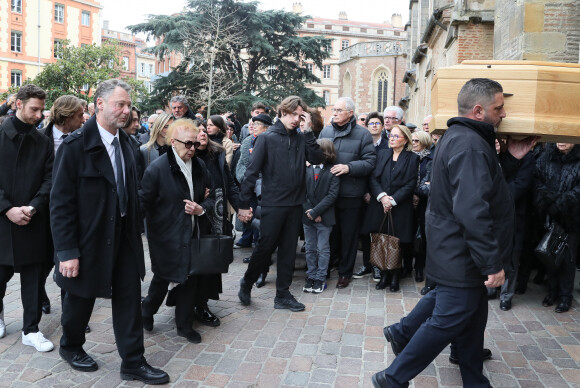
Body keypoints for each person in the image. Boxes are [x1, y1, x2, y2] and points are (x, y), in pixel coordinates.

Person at [372, 78, 516, 388]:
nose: (504, 113)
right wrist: (492, 262)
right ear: (478, 110)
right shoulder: (470, 145)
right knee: (447, 321)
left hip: (456, 250)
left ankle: (474, 381)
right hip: (462, 254)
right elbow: (472, 210)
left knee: (473, 321)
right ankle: (393, 378)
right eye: (499, 108)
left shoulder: (459, 137)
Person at [50, 79, 169, 384]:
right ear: (99, 105)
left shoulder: (129, 145)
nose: (127, 110)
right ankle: (71, 346)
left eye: (129, 105)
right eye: (121, 104)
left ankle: (133, 361)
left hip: (125, 239)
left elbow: (135, 192)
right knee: (80, 299)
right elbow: (60, 203)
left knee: (129, 298)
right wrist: (67, 251)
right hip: (88, 240)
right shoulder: (75, 146)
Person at [237, 96, 323, 312]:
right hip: (273, 204)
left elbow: (317, 157)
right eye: (294, 114)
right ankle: (247, 282)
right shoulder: (266, 138)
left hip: (295, 204)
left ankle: (282, 294)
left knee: (288, 251)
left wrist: (309, 131)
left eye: (301, 116)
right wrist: (244, 204)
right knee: (265, 248)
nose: (297, 119)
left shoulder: (302, 138)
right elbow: (251, 173)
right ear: (283, 112)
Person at [140, 119, 215, 341]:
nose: (193, 148)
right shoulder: (157, 169)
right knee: (163, 277)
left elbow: (213, 197)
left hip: (192, 232)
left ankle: (184, 325)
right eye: (188, 144)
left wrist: (201, 208)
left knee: (189, 277)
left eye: (195, 144)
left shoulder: (200, 166)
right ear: (173, 142)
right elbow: (143, 203)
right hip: (165, 236)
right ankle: (146, 310)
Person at [0, 84, 54, 351]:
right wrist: (7, 208)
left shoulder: (43, 141)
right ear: (18, 105)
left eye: (42, 110)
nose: (39, 115)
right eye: (35, 109)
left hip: (33, 220)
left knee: (33, 280)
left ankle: (31, 329)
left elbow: (49, 179)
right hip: (1, 219)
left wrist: (33, 207)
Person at [319, 97, 376, 289]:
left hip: (350, 193)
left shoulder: (363, 134)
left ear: (350, 113)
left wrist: (348, 167)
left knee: (349, 236)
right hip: (327, 193)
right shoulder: (326, 131)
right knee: (329, 234)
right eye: (333, 109)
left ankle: (345, 272)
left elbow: (370, 162)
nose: (334, 113)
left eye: (338, 110)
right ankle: (326, 267)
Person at [38, 95, 85, 314]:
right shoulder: (40, 139)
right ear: (67, 117)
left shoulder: (83, 139)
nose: (84, 119)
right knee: (43, 262)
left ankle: (71, 312)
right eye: (79, 115)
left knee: (69, 260)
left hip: (70, 211)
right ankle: (39, 295)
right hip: (42, 211)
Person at [362, 125, 419, 292]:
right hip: (380, 204)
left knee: (397, 242)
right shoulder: (382, 154)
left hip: (400, 207)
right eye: (391, 135)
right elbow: (372, 178)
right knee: (381, 240)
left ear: (406, 140)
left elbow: (410, 184)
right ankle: (384, 274)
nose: (392, 138)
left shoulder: (412, 158)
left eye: (396, 136)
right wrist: (382, 197)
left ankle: (395, 277)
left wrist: (393, 200)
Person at [194, 127, 240, 325]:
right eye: (196, 131)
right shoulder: (184, 154)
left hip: (217, 213)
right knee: (194, 258)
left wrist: (241, 208)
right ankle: (189, 301)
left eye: (203, 130)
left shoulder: (218, 153)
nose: (202, 133)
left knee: (211, 258)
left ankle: (202, 303)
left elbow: (229, 183)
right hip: (194, 214)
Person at [535, 142, 580, 313]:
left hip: (572, 219)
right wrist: (548, 199)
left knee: (568, 259)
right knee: (550, 255)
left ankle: (565, 297)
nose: (561, 141)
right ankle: (552, 292)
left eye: (565, 137)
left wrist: (562, 201)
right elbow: (537, 180)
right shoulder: (546, 157)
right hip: (549, 216)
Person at [302, 139, 340, 294]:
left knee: (323, 249)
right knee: (310, 248)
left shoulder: (333, 171)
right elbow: (301, 192)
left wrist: (316, 212)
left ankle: (320, 277)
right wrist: (310, 211)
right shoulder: (307, 169)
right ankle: (311, 275)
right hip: (307, 217)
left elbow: (332, 196)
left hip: (325, 217)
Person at [354, 111, 388, 282]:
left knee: (378, 232)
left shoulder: (388, 145)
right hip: (362, 193)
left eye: (377, 123)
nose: (374, 126)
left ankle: (377, 265)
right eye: (371, 124)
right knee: (364, 232)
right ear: (366, 127)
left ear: (382, 126)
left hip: (380, 194)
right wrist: (365, 191)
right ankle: (367, 264)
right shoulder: (362, 143)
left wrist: (376, 193)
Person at [235, 114, 271, 250]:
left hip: (265, 188)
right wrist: (248, 179)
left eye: (257, 125)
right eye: (253, 124)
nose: (253, 127)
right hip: (250, 186)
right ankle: (254, 248)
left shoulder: (270, 141)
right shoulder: (247, 141)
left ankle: (260, 248)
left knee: (261, 221)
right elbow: (242, 164)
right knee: (251, 217)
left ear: (266, 128)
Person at [410, 130, 433, 282]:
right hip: (408, 202)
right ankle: (406, 266)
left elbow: (430, 185)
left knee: (422, 237)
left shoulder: (431, 159)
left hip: (425, 204)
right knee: (407, 234)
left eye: (416, 141)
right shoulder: (408, 157)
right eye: (412, 140)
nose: (413, 143)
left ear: (424, 142)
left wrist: (417, 192)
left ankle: (419, 268)